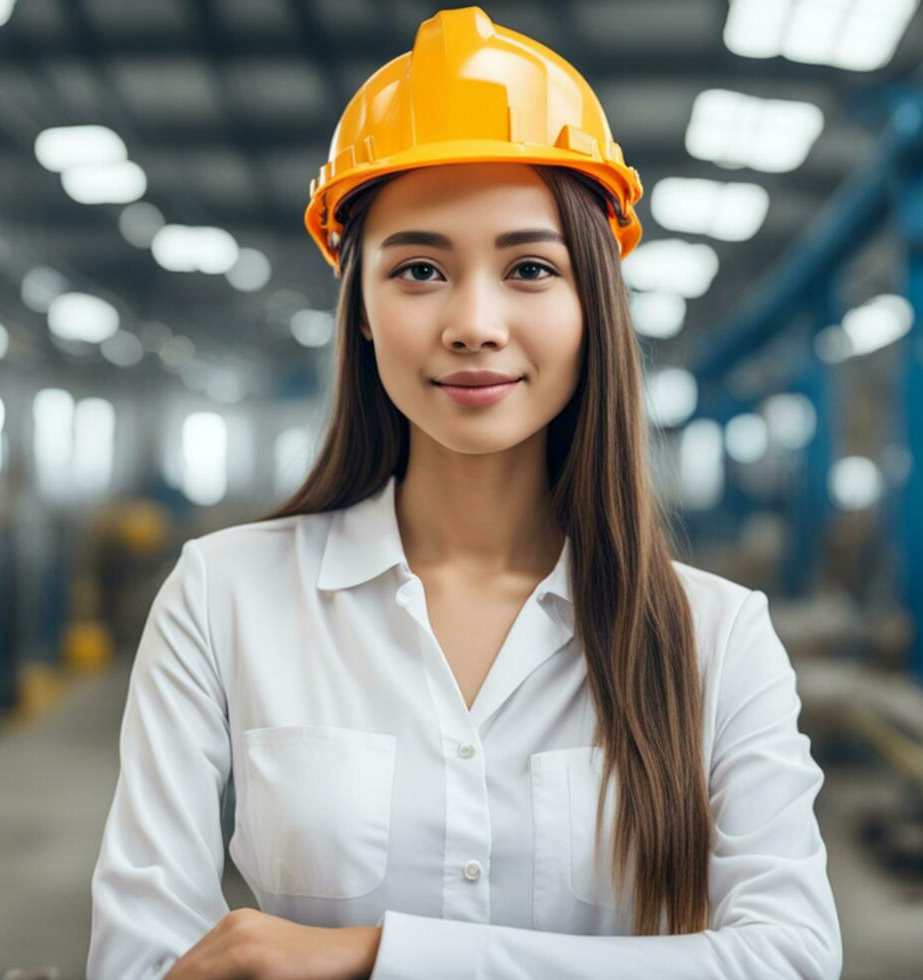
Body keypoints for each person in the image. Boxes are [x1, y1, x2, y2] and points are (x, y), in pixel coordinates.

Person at [87, 7, 843, 978]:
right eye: (418, 269)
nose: (473, 323)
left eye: (530, 267)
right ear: (359, 306)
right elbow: (141, 958)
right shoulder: (221, 596)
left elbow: (787, 959)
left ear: (591, 307)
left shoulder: (715, 635)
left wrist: (375, 956)